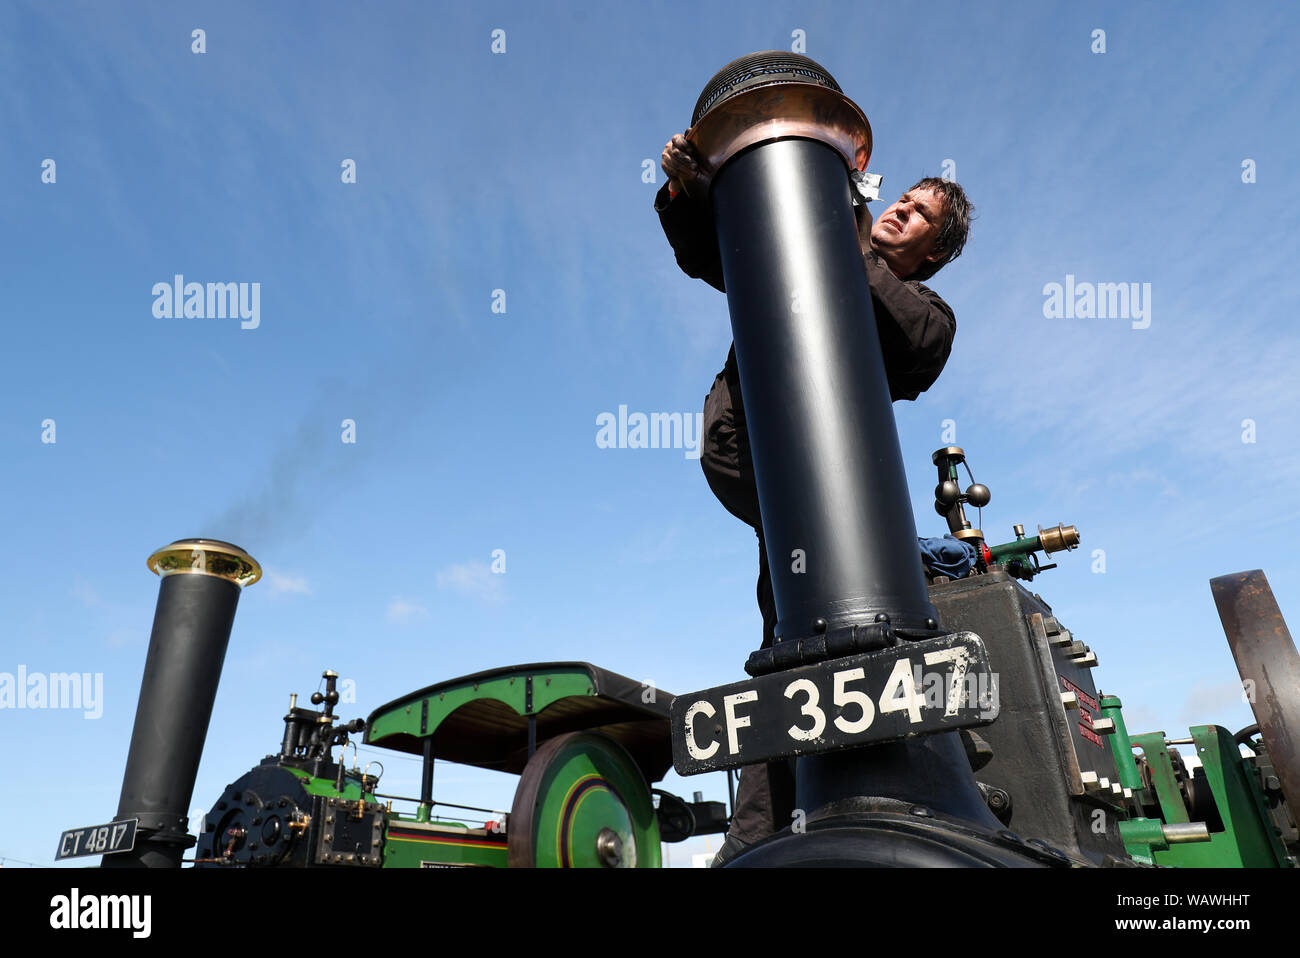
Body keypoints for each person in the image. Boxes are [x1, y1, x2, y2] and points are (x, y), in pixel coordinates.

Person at [655, 133, 974, 864]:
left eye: (919, 214)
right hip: (749, 448)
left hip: (834, 492)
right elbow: (711, 253)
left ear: (933, 253)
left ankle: (756, 842)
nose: (899, 210)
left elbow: (915, 344)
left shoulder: (924, 311)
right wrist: (685, 188)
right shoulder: (802, 246)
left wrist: (836, 222)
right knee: (792, 653)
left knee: (788, 659)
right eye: (901, 198)